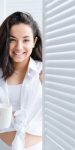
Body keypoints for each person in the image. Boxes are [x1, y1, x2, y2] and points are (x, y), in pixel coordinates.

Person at [0, 11, 43, 150]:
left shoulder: (44, 72)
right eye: (12, 39)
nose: (19, 47)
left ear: (34, 42)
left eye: (25, 40)